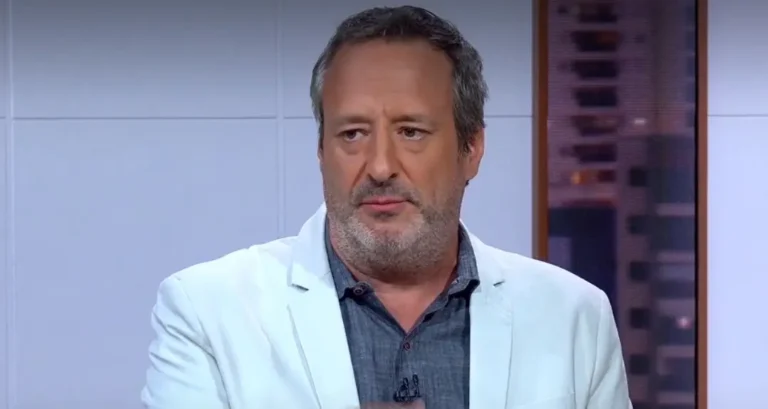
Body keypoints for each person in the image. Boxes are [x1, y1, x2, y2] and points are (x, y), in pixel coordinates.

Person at [141, 5, 632, 409]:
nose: (379, 166)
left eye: (411, 132)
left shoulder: (574, 318)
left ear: (472, 149)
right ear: (321, 151)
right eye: (353, 133)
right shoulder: (208, 312)